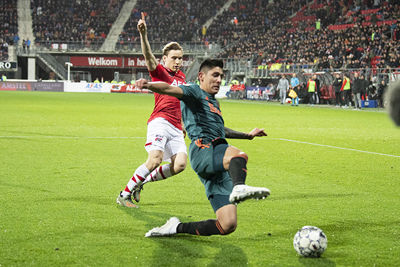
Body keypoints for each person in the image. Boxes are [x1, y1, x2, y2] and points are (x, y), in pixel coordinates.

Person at [135, 59, 270, 237]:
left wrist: (248, 135)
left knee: (227, 225)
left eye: (221, 76)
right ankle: (239, 187)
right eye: (215, 75)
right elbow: (169, 89)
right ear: (201, 76)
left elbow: (221, 130)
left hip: (216, 161)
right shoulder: (193, 91)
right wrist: (148, 85)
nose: (219, 80)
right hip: (204, 150)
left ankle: (175, 228)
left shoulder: (215, 103)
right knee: (239, 156)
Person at [116, 12, 187, 208]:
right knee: (155, 159)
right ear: (164, 59)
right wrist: (143, 35)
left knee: (180, 165)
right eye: (174, 58)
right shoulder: (161, 72)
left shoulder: (182, 77)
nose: (178, 61)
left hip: (175, 126)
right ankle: (124, 195)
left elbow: (181, 102)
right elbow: (148, 59)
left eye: (180, 58)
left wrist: (182, 124)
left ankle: (142, 182)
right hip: (160, 121)